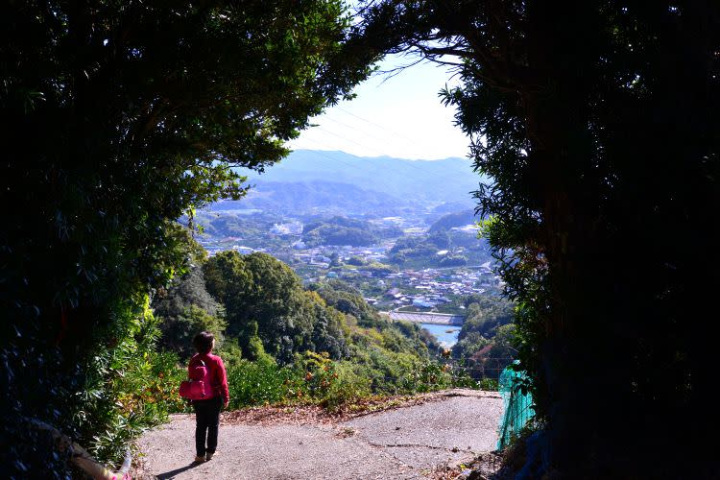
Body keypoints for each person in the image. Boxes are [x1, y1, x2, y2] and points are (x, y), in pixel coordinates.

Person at [189, 331, 229, 463]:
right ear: (210, 345)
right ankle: (210, 452)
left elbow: (191, 379)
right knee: (213, 425)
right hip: (214, 398)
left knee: (200, 426)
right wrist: (226, 398)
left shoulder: (194, 359)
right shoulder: (216, 360)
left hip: (198, 397)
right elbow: (222, 381)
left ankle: (200, 455)